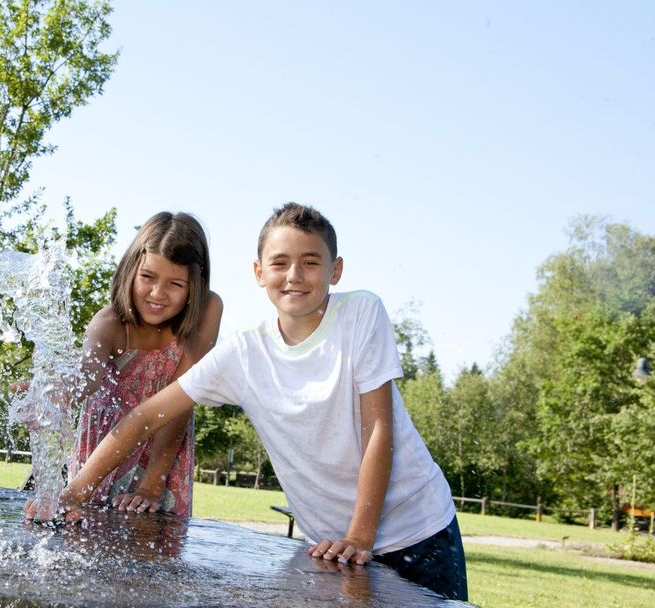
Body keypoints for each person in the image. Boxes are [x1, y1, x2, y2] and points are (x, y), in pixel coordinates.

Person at [56, 203, 467, 601]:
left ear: (335, 269)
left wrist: (360, 535)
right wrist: (73, 494)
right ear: (258, 272)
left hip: (418, 532)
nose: (294, 275)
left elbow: (377, 428)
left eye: (310, 262)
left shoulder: (360, 314)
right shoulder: (245, 354)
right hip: (330, 547)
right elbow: (144, 417)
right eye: (279, 262)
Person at [24, 211, 222, 520]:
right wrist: (57, 391)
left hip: (164, 456)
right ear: (130, 270)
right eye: (147, 277)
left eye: (175, 283)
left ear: (195, 285)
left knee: (155, 543)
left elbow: (179, 404)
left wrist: (152, 482)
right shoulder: (111, 323)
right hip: (102, 457)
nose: (158, 293)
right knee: (88, 535)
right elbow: (86, 376)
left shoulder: (208, 310)